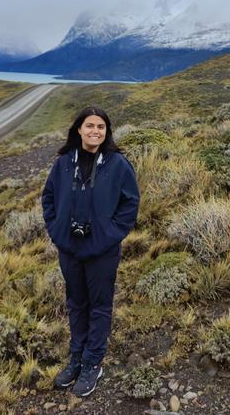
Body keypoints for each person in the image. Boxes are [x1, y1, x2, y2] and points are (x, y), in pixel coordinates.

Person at [41, 105, 140, 397]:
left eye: (101, 127)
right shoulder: (63, 163)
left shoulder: (118, 163)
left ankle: (93, 363)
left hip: (102, 251)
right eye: (90, 126)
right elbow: (48, 197)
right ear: (78, 130)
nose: (95, 131)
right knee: (75, 303)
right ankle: (76, 358)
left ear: (106, 131)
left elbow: (130, 204)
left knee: (99, 306)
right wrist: (57, 230)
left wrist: (110, 234)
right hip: (69, 249)